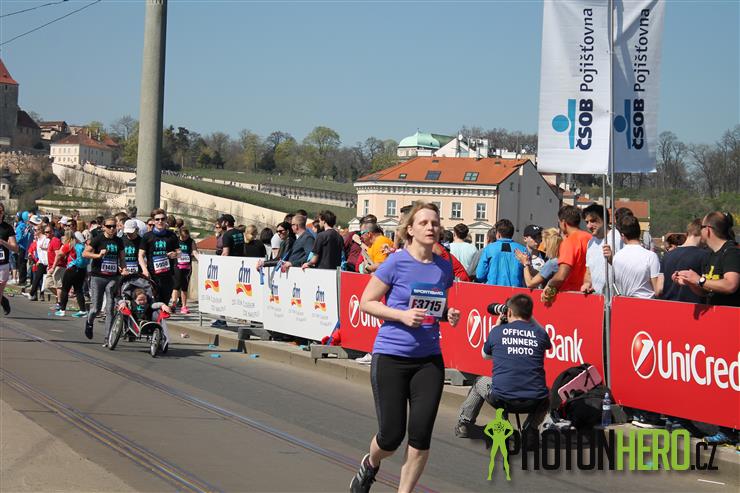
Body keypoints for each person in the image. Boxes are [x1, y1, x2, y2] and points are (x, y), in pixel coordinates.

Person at [350, 202, 461, 493]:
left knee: (420, 437)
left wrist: (447, 313)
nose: (430, 227)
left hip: (429, 361)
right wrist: (401, 315)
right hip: (391, 357)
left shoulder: (443, 267)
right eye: (423, 223)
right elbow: (366, 302)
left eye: (434, 223)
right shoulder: (395, 262)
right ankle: (370, 463)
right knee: (391, 437)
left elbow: (432, 305)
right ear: (410, 229)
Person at [455, 294, 551, 443]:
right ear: (530, 314)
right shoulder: (540, 333)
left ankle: (464, 423)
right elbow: (545, 339)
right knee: (547, 393)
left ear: (509, 312)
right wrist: (530, 318)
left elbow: (485, 355)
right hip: (534, 400)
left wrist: (497, 326)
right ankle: (531, 429)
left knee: (479, 381)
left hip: (502, 398)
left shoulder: (497, 331)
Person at [675, 211, 739, 307]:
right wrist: (691, 282)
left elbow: (730, 285)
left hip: (731, 314)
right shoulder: (709, 255)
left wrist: (699, 280)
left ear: (708, 230)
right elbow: (705, 292)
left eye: (701, 227)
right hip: (713, 313)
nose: (700, 231)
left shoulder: (732, 252)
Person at [83, 217, 125, 342]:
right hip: (98, 277)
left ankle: (108, 337)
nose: (111, 229)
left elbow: (122, 258)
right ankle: (89, 322)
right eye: (109, 226)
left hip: (113, 277)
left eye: (114, 226)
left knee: (110, 308)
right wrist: (98, 255)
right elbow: (85, 253)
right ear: (103, 227)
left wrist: (124, 268)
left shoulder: (119, 241)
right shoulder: (98, 239)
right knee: (96, 308)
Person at [542, 205, 591, 304]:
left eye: (559, 222)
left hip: (570, 295)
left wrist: (549, 285)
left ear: (563, 222)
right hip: (588, 293)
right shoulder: (590, 238)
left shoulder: (569, 242)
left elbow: (561, 275)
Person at [659, 219, 709, 303]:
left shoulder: (667, 256)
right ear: (703, 232)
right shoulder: (705, 255)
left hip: (669, 305)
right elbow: (707, 288)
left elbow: (660, 288)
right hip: (694, 306)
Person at [613, 215, 661, 298]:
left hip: (624, 301)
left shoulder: (616, 257)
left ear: (622, 236)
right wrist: (662, 278)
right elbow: (657, 290)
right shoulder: (651, 256)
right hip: (645, 302)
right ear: (639, 232)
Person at [139, 208, 180, 304]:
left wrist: (175, 254)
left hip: (168, 275)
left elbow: (179, 253)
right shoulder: (147, 236)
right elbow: (140, 255)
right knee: (153, 303)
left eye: (162, 219)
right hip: (152, 275)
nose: (160, 221)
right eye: (157, 219)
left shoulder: (172, 235)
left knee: (164, 303)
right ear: (153, 221)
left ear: (166, 220)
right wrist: (144, 270)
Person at [475, 219, 527, 287]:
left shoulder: (489, 249)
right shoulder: (523, 250)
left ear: (498, 234)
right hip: (515, 291)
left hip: (493, 289)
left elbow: (480, 275)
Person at [581, 203, 619, 295]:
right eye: (587, 222)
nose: (589, 226)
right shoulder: (590, 243)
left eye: (593, 221)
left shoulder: (617, 237)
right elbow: (589, 271)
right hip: (595, 297)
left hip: (614, 298)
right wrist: (587, 283)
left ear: (604, 219)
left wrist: (612, 259)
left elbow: (627, 269)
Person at [55, 231, 88, 317]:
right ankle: (83, 310)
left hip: (71, 269)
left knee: (65, 289)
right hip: (82, 269)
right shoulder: (83, 246)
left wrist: (54, 265)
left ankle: (62, 310)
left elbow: (59, 254)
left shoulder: (69, 245)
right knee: (79, 290)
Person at [171, 227, 198, 314]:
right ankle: (173, 304)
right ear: (180, 235)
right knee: (176, 285)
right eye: (183, 237)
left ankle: (184, 306)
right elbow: (172, 252)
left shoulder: (191, 241)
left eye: (186, 236)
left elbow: (195, 252)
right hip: (177, 266)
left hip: (187, 267)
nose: (185, 238)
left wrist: (200, 259)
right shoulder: (176, 241)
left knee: (184, 286)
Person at [0, 203, 19, 315]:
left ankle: (3, 300)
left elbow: (15, 248)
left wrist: (3, 242)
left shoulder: (8, 228)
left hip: (2, 265)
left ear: (3, 213)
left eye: (0, 211)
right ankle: (3, 300)